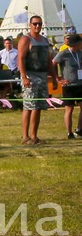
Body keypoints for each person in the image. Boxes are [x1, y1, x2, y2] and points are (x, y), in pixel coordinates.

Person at [17, 15, 59, 145]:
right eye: (35, 23)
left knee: (39, 106)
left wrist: (54, 77)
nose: (37, 26)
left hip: (42, 75)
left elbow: (48, 61)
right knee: (29, 106)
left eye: (39, 24)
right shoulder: (26, 39)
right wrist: (24, 77)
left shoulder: (44, 41)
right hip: (30, 75)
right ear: (30, 25)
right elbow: (21, 59)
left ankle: (34, 136)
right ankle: (26, 136)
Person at [54, 34, 82, 139]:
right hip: (69, 86)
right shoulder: (64, 53)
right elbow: (53, 63)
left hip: (80, 84)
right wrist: (58, 78)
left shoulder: (80, 53)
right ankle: (69, 132)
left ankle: (79, 129)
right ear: (76, 44)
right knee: (69, 109)